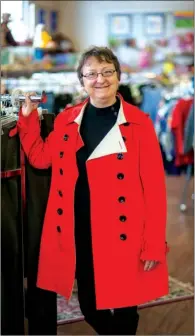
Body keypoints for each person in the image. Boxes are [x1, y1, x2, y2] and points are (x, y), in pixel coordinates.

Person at [17, 46, 169, 335]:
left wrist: (153, 243)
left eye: (107, 72)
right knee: (89, 304)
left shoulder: (139, 123)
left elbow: (154, 189)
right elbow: (40, 157)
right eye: (91, 74)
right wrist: (27, 119)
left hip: (124, 231)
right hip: (80, 226)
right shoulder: (67, 120)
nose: (100, 79)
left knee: (125, 307)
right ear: (82, 81)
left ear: (119, 77)